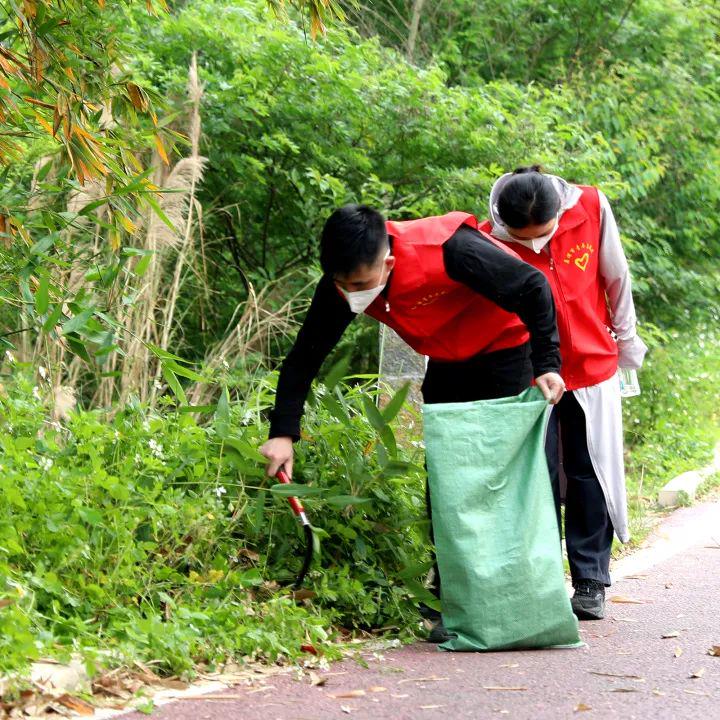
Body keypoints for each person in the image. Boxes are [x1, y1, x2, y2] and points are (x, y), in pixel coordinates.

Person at [260, 204, 566, 641]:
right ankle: (452, 603)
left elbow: (534, 285)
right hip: (446, 361)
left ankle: (530, 596)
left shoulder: (451, 250)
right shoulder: (343, 286)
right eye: (343, 286)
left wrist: (548, 364)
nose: (352, 296)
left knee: (511, 478)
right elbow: (305, 357)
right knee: (447, 482)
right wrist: (283, 433)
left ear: (387, 262)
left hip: (507, 351)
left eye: (361, 285)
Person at [479, 166, 648, 620]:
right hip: (531, 374)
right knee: (537, 477)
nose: (534, 245)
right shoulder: (484, 236)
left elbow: (616, 276)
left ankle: (590, 579)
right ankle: (538, 579)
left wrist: (627, 342)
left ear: (561, 212)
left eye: (544, 234)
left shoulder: (591, 206)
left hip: (593, 362)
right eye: (523, 237)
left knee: (590, 469)